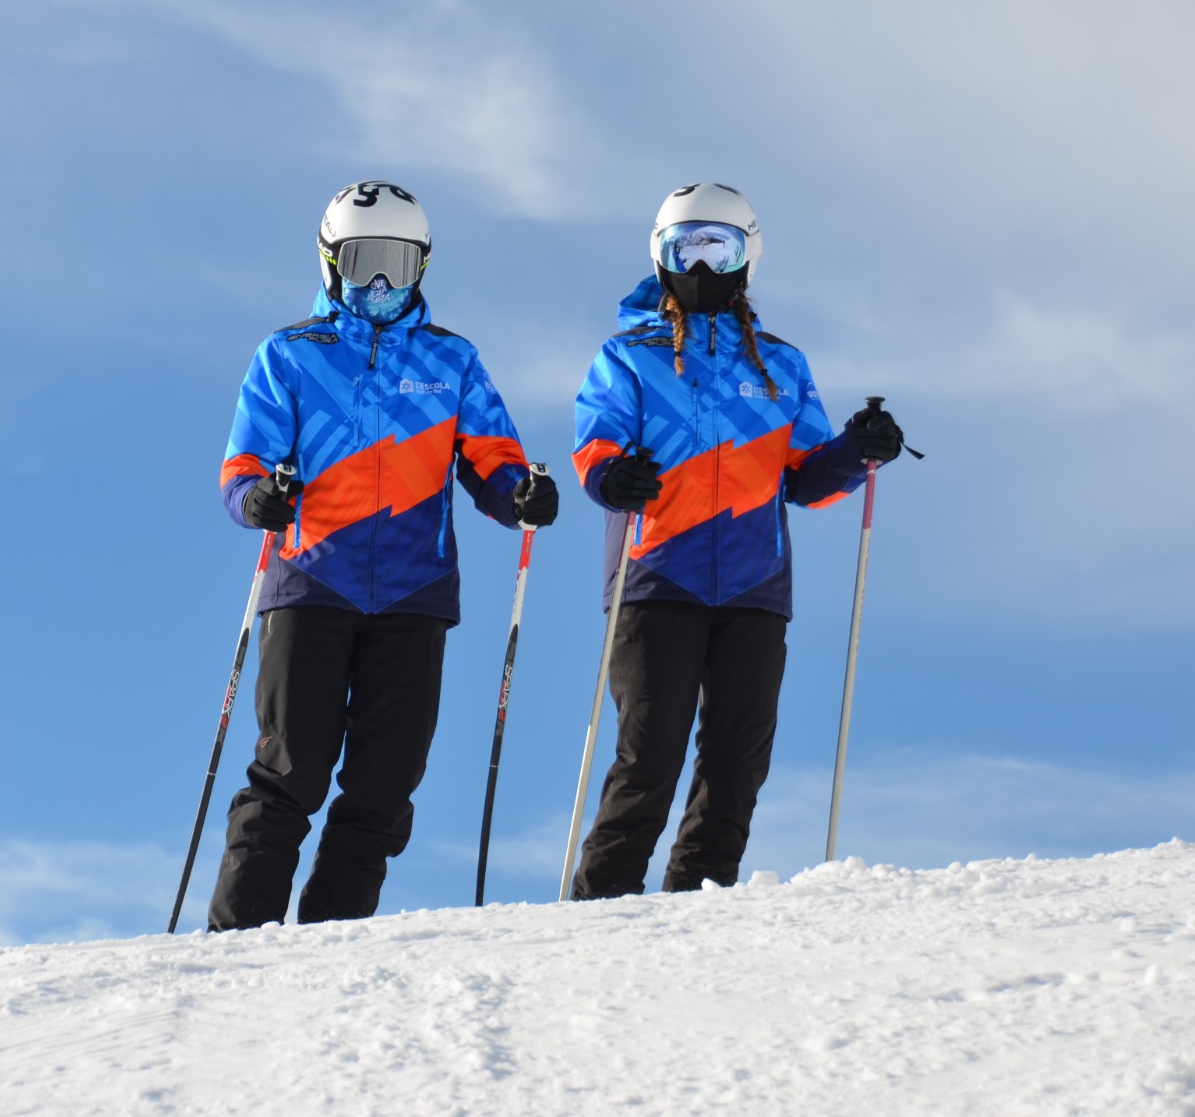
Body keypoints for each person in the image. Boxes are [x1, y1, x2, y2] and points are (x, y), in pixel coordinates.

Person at [207, 179, 560, 931]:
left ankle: (332, 936)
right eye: (361, 261)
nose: (377, 285)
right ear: (329, 261)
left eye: (395, 265)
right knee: (292, 769)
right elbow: (244, 467)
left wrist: (521, 495)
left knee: (384, 782)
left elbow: (493, 461)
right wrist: (259, 498)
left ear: (421, 267)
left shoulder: (451, 361)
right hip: (312, 582)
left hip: (412, 593)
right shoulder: (291, 355)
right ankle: (237, 938)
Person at [568, 182, 905, 899]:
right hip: (657, 576)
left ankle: (700, 903)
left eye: (716, 249)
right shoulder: (630, 356)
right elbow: (595, 444)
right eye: (683, 249)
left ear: (747, 257)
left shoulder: (779, 365)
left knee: (737, 762)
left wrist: (857, 449)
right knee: (649, 756)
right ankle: (597, 912)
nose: (699, 265)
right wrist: (614, 475)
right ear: (659, 257)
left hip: (754, 585)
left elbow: (808, 478)